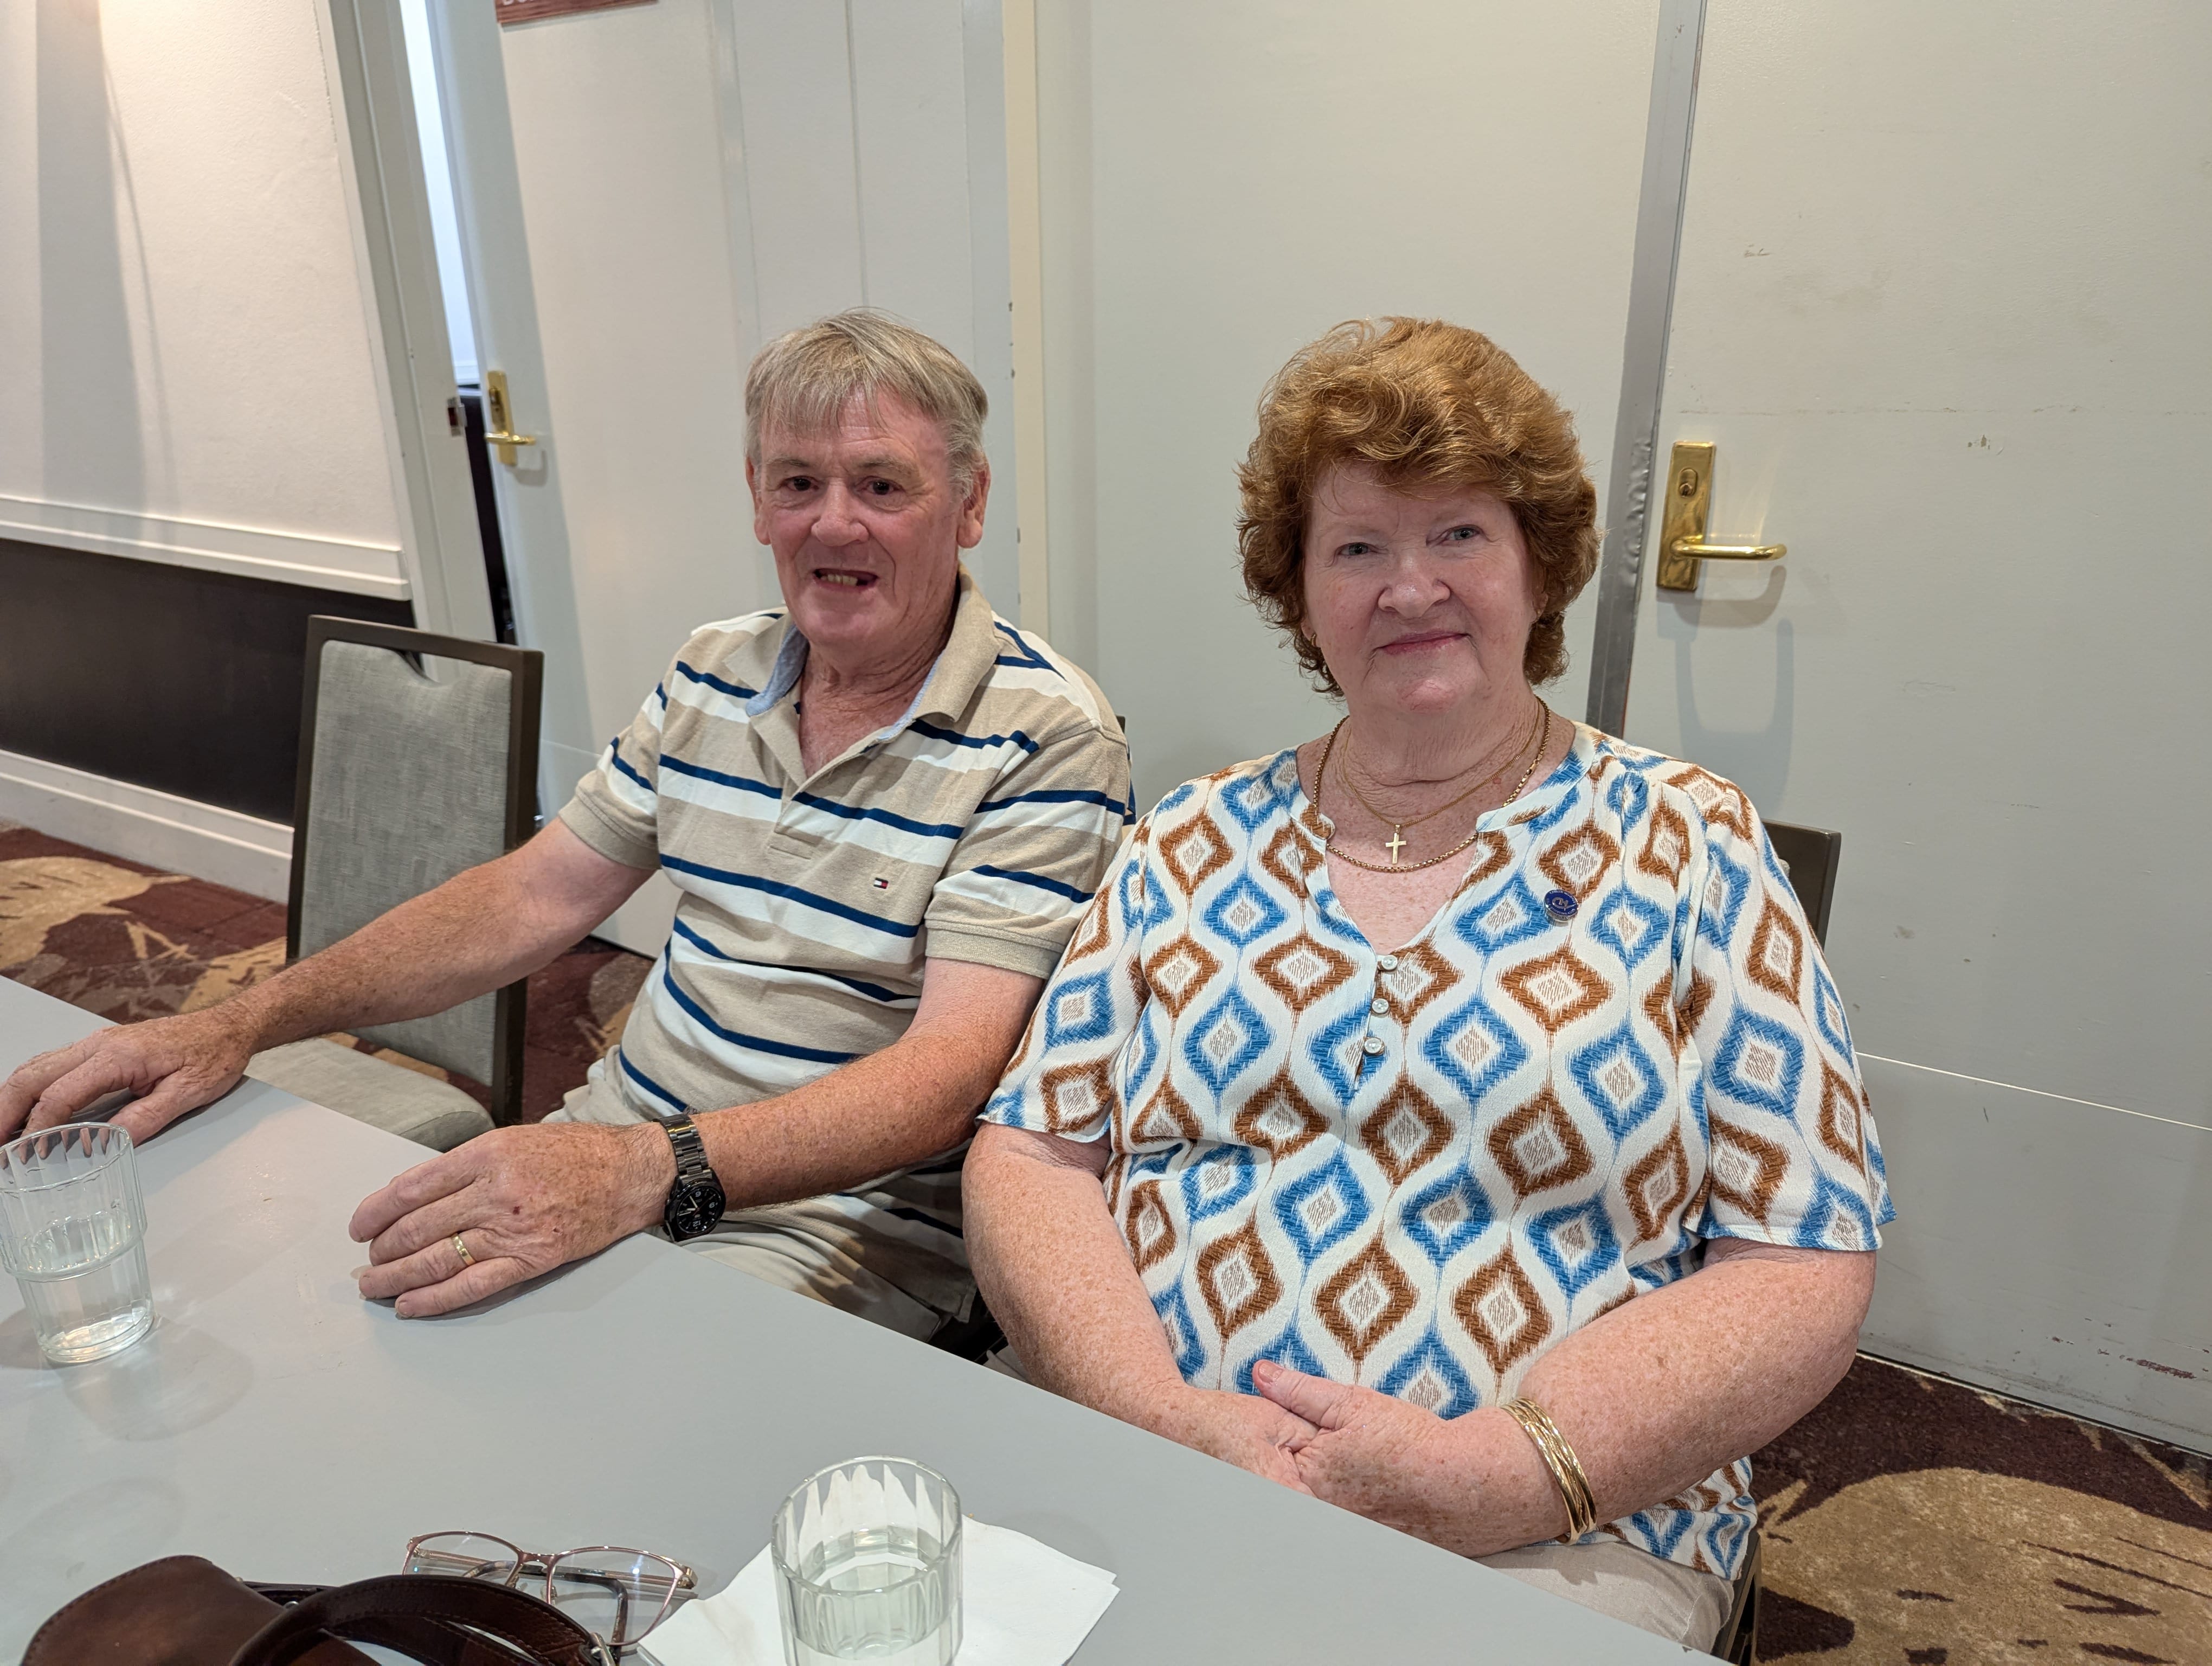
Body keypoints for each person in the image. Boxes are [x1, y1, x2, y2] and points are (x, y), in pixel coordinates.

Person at [962, 317, 1890, 1647]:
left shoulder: (1694, 843)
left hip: (1557, 1526)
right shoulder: (1189, 835)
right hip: (1143, 1451)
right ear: (1300, 594)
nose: (1411, 589)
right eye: (1357, 548)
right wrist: (1158, 1419)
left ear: (1537, 564)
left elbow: (1802, 1257)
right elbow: (1031, 1157)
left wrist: (1504, 1473)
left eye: (1458, 533)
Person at [0, 310, 1130, 1341]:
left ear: (969, 504)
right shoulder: (715, 668)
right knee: (325, 1328)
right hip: (615, 1141)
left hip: (831, 1227)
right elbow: (533, 895)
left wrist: (640, 1171)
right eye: (798, 482)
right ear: (756, 499)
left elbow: (947, 1073)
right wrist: (241, 1022)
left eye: (882, 485)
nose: (834, 522)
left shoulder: (1049, 737)